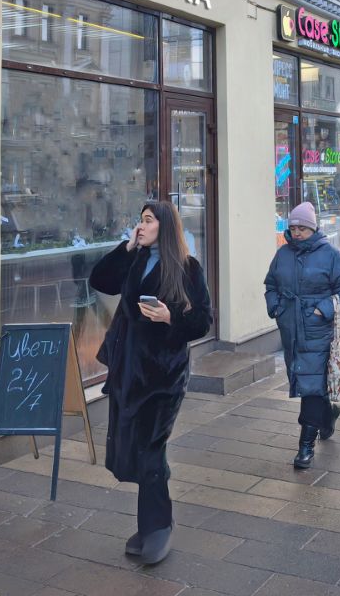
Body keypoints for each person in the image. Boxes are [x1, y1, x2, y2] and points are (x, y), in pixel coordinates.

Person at [91, 201, 211, 565]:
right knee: (134, 447)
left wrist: (169, 317)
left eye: (147, 221)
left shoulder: (188, 268)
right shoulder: (136, 259)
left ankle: (157, 527)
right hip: (129, 371)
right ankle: (149, 526)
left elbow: (203, 321)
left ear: (165, 227)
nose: (140, 226)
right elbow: (100, 281)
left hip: (163, 376)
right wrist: (126, 248)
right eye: (139, 220)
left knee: (151, 449)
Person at [265, 201, 340, 471]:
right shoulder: (283, 254)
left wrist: (322, 310)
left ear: (313, 229)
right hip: (291, 330)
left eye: (302, 228)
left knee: (311, 388)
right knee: (309, 382)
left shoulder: (331, 254)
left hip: (317, 331)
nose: (296, 232)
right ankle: (329, 413)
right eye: (293, 228)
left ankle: (305, 446)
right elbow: (271, 284)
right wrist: (276, 307)